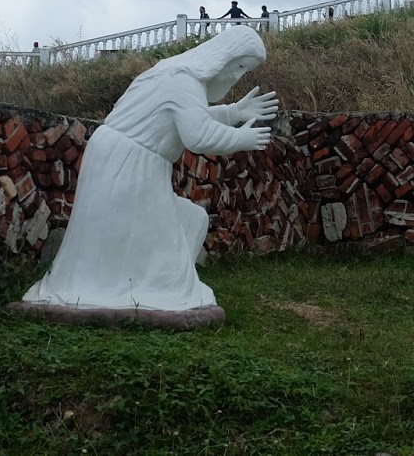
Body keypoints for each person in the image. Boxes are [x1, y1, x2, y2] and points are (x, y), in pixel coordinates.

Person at [21, 27, 278, 313]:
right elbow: (197, 135)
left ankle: (154, 288)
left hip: (127, 158)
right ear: (223, 56)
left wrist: (232, 113)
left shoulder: (173, 72)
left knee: (191, 220)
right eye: (240, 66)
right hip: (128, 162)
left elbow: (188, 116)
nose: (235, 77)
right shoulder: (184, 80)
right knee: (162, 239)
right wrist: (242, 139)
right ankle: (153, 292)